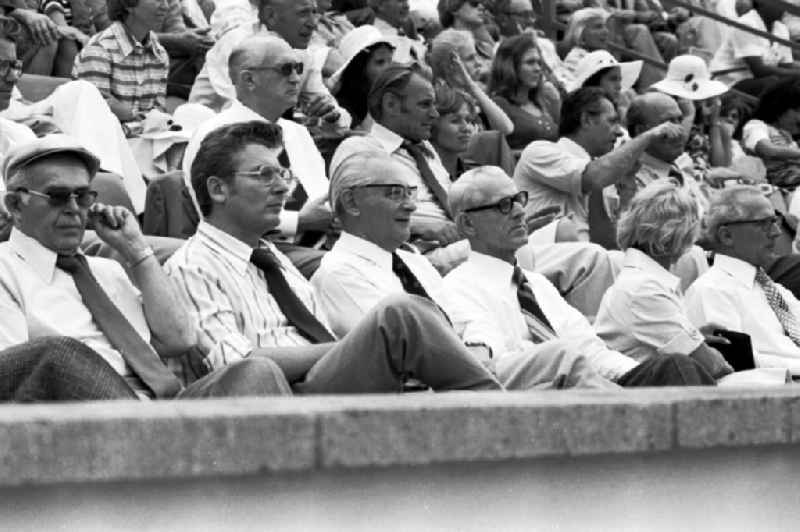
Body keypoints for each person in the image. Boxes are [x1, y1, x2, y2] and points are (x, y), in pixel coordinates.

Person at [165, 120, 503, 393]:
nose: (283, 188)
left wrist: (353, 349)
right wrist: (350, 348)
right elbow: (237, 365)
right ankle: (501, 411)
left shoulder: (274, 261)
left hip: (316, 384)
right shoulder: (191, 265)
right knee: (399, 314)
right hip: (270, 395)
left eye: (282, 174)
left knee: (402, 317)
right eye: (263, 175)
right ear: (218, 189)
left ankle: (495, 411)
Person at [0, 134, 291, 401]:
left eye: (84, 196)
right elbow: (11, 377)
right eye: (58, 197)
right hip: (80, 420)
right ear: (14, 205)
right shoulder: (5, 269)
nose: (75, 209)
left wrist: (137, 252)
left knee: (257, 371)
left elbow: (179, 339)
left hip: (158, 406)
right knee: (58, 355)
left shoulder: (108, 270)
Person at [312, 152, 616, 389]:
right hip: (436, 390)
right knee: (559, 357)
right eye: (394, 193)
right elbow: (401, 359)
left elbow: (463, 323)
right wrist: (488, 355)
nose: (409, 206)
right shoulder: (339, 272)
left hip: (472, 372)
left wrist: (483, 348)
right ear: (351, 201)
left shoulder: (413, 261)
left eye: (410, 193)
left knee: (567, 359)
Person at [444, 167, 716, 386]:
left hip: (595, 387)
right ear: (467, 224)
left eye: (518, 200)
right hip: (548, 395)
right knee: (676, 369)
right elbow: (490, 368)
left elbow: (591, 350)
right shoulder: (457, 288)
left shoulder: (536, 284)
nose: (518, 211)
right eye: (503, 205)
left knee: (674, 369)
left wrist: (641, 378)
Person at [182, 35, 332, 277]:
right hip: (253, 250)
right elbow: (216, 215)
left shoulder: (298, 132)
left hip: (320, 241)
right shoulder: (215, 134)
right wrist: (299, 221)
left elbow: (322, 195)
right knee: (346, 271)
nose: (295, 78)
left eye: (298, 68)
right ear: (249, 79)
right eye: (285, 69)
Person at [594, 180, 734, 380]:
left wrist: (696, 338)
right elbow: (713, 366)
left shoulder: (643, 281)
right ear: (684, 233)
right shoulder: (644, 289)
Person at [513, 86, 684, 242]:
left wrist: (627, 183)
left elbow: (620, 237)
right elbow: (593, 178)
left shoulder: (604, 172)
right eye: (611, 122)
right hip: (543, 259)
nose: (618, 132)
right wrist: (650, 135)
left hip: (593, 260)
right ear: (587, 120)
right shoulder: (539, 151)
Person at [686, 185, 800, 374]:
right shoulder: (712, 290)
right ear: (727, 235)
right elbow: (736, 363)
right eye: (764, 223)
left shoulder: (774, 289)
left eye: (775, 221)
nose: (776, 232)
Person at [189, 0, 350, 129]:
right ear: (270, 15)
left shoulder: (302, 54)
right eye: (303, 13)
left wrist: (331, 116)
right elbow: (240, 115)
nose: (313, 24)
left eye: (314, 12)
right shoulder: (238, 46)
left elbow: (337, 117)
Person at [72, 0, 170, 132]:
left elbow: (158, 117)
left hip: (141, 141)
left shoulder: (160, 54)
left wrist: (130, 116)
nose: (165, 6)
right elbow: (94, 121)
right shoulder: (99, 49)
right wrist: (142, 120)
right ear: (129, 5)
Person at [428, 28, 513, 135]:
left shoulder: (472, 94)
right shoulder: (440, 100)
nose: (478, 63)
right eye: (470, 58)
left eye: (476, 56)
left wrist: (471, 86)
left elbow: (507, 128)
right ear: (450, 66)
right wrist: (469, 83)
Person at [560, 7, 667, 89]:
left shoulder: (602, 55)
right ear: (580, 34)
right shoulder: (574, 60)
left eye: (605, 26)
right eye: (598, 27)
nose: (606, 32)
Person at [488, 33, 559, 150]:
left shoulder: (542, 102)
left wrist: (556, 102)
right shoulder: (498, 104)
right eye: (530, 62)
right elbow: (499, 152)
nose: (537, 69)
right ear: (510, 66)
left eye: (539, 63)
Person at [710, 0, 796, 96]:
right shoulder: (747, 23)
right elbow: (759, 70)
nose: (784, 8)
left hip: (756, 80)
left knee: (790, 83)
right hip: (729, 82)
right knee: (774, 83)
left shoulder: (781, 28)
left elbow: (787, 66)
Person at [327, 24, 394, 131]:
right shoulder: (340, 107)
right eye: (380, 62)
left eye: (390, 61)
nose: (389, 68)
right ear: (359, 68)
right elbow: (365, 137)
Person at [741, 77, 800, 188]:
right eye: (798, 110)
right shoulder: (756, 126)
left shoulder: (789, 139)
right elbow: (768, 150)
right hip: (770, 184)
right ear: (781, 106)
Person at [568, 49, 641, 124]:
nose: (619, 86)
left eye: (619, 80)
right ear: (595, 81)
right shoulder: (579, 114)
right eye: (613, 79)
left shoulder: (620, 112)